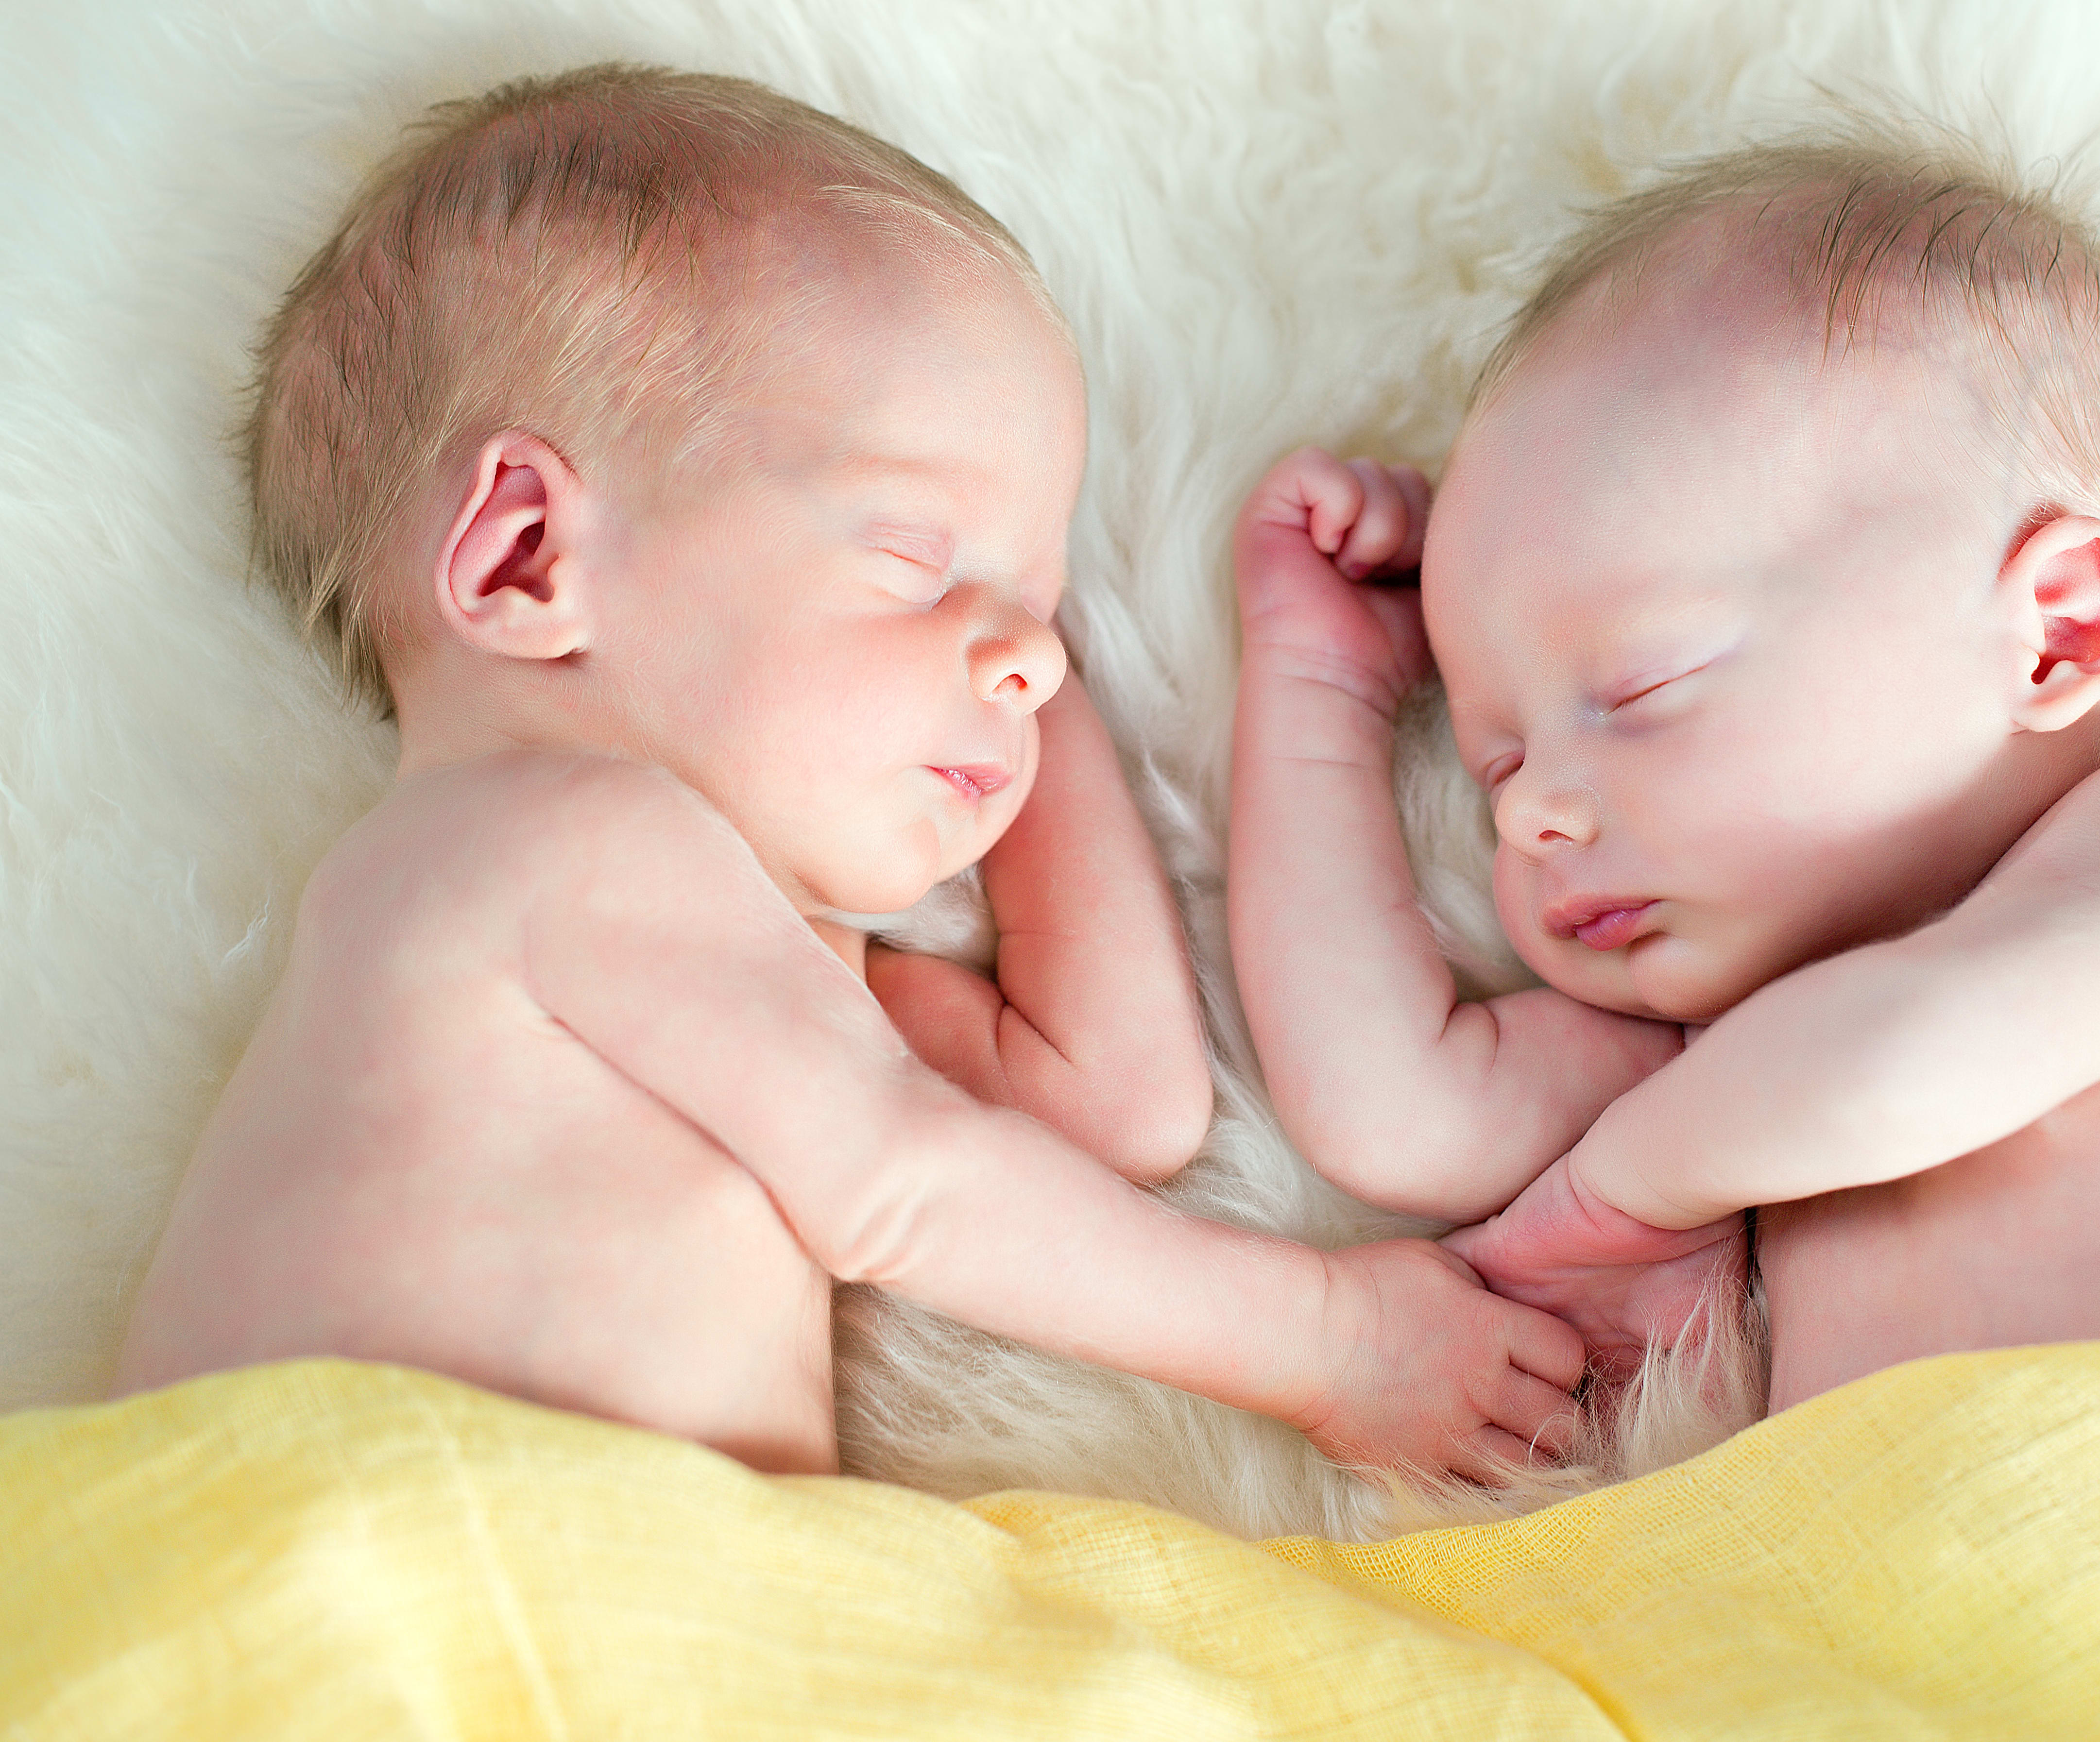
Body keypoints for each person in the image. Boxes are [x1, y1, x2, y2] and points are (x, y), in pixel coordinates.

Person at [116, 65, 1583, 1482]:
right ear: (525, 558)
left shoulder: (743, 962)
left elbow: (1116, 1110)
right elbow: (907, 1181)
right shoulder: (531, 843)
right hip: (399, 1561)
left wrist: (1019, 663)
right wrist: (1326, 1340)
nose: (1033, 659)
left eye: (1046, 601)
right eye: (915, 561)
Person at [1229, 123, 2100, 1420]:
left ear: (2055, 634)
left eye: (1643, 691)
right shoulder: (1724, 1057)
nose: (1526, 812)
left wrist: (1613, 1198)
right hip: (1942, 1565)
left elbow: (1899, 1067)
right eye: (1495, 761)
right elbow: (1389, 1112)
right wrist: (1321, 690)